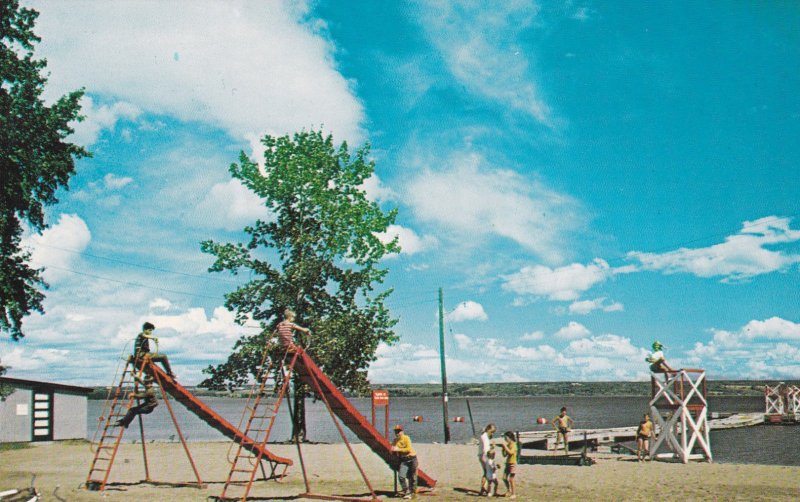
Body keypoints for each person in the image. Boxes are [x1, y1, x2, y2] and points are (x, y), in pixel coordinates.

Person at [390, 424, 418, 499]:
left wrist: (399, 449)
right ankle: (405, 490)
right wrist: (392, 449)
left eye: (399, 431)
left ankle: (412, 493)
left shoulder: (406, 438)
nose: (397, 433)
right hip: (404, 460)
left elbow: (408, 449)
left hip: (412, 458)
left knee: (412, 477)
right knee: (401, 476)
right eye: (396, 431)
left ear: (402, 431)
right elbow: (392, 449)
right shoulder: (395, 440)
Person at [478, 423, 496, 496]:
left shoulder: (484, 435)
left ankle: (482, 489)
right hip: (484, 456)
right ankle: (484, 489)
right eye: (492, 432)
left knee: (485, 472)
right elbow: (486, 450)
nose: (492, 433)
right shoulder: (485, 437)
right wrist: (492, 447)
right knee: (487, 473)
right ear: (488, 429)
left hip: (481, 455)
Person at [500, 431, 517, 499]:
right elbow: (504, 455)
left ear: (510, 437)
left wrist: (505, 447)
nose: (505, 439)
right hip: (508, 463)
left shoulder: (514, 444)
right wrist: (503, 449)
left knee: (511, 479)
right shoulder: (508, 445)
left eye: (506, 438)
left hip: (512, 463)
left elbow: (511, 452)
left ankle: (513, 493)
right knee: (504, 478)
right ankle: (508, 490)